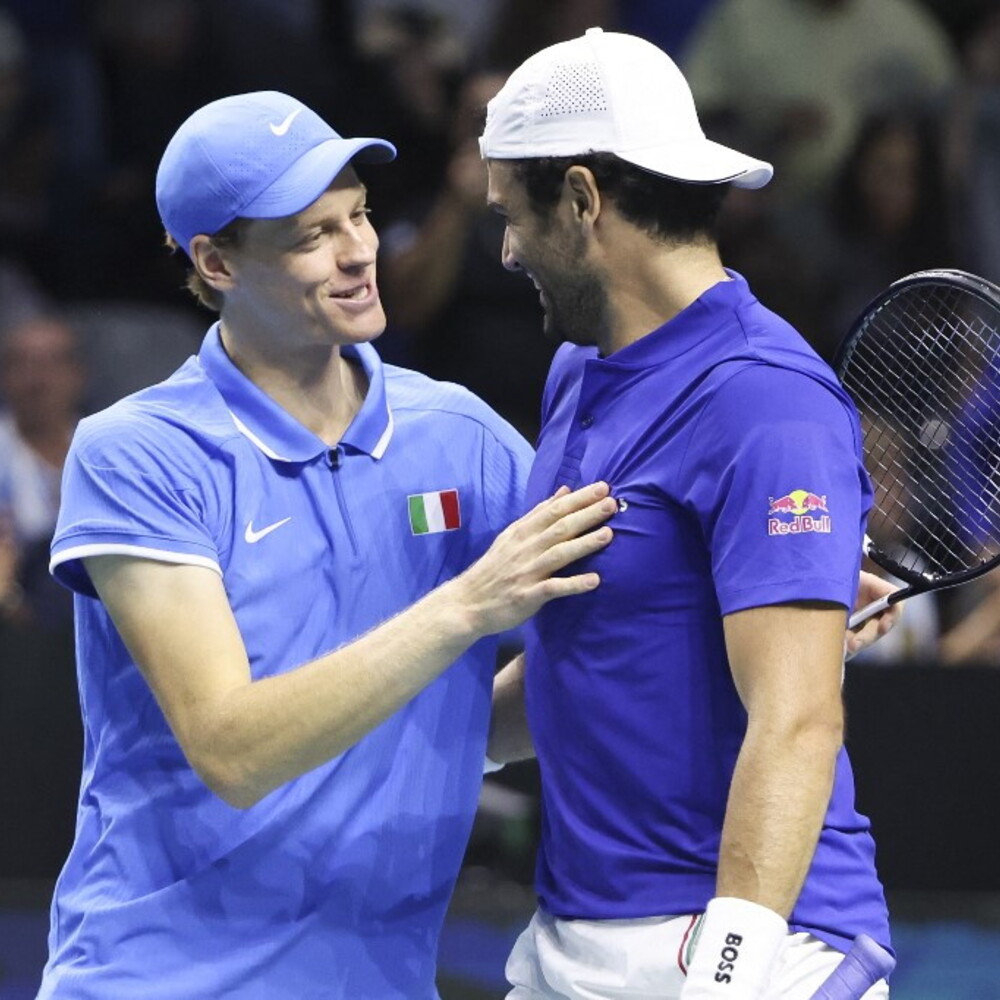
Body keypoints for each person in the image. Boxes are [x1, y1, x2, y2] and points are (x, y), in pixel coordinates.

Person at [38, 89, 617, 999]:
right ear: (216, 261)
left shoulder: (460, 436)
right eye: (311, 236)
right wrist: (467, 606)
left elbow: (514, 701)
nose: (358, 252)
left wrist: (771, 603)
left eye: (359, 215)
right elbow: (234, 749)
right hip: (158, 981)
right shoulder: (137, 454)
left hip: (380, 979)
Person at [480, 29, 896, 999]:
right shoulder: (578, 369)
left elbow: (795, 717)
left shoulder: (766, 399)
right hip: (570, 937)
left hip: (754, 942)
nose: (504, 249)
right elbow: (587, 660)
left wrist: (729, 970)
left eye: (513, 215)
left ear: (583, 199)